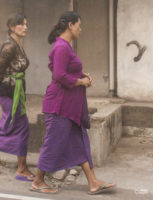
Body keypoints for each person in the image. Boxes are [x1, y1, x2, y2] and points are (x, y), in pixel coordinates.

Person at [30, 11, 115, 194]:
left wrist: (80, 75)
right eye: (79, 25)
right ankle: (38, 181)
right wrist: (81, 82)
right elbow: (58, 75)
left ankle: (93, 182)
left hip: (70, 106)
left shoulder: (64, 46)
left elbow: (57, 67)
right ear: (70, 25)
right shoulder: (62, 46)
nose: (81, 29)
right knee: (53, 143)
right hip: (59, 106)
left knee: (80, 142)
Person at [0, 13, 35, 182]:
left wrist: (0, 92)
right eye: (21, 24)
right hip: (10, 93)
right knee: (15, 126)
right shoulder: (9, 46)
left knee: (14, 125)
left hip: (15, 92)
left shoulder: (19, 44)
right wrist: (1, 91)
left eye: (26, 24)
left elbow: (10, 72)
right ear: (11, 27)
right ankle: (19, 168)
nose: (25, 27)